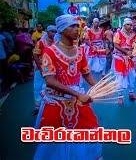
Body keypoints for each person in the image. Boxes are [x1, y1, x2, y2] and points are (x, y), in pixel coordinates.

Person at [34, 14, 102, 159]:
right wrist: (78, 95)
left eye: (78, 26)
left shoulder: (80, 51)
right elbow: (50, 81)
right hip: (56, 101)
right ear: (62, 30)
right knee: (54, 141)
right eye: (72, 26)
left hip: (78, 100)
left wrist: (100, 87)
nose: (77, 29)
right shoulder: (50, 51)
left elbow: (87, 74)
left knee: (89, 129)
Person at [111, 18, 136, 101]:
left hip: (129, 59)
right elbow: (116, 45)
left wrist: (134, 52)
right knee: (120, 78)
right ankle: (120, 96)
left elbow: (134, 45)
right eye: (128, 24)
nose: (130, 26)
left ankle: (131, 93)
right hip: (119, 59)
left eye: (131, 25)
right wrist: (126, 52)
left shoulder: (133, 35)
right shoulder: (118, 34)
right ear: (124, 25)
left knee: (132, 75)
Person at [32, 25, 57, 117]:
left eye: (55, 31)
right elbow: (35, 55)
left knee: (52, 86)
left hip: (53, 68)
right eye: (52, 31)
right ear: (47, 32)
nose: (54, 33)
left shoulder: (57, 42)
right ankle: (37, 106)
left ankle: (50, 105)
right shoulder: (41, 42)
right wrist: (41, 68)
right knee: (38, 86)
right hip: (42, 67)